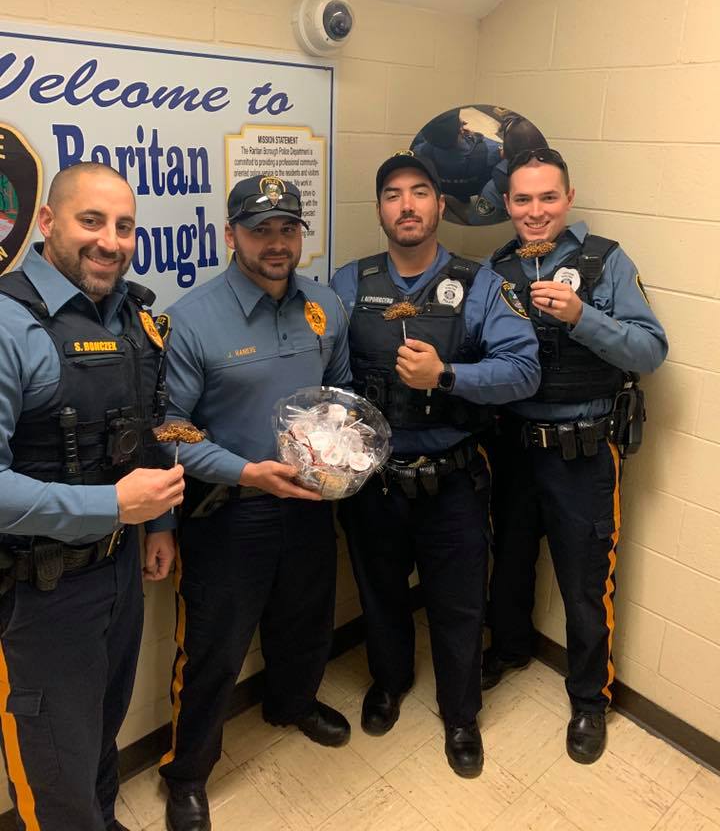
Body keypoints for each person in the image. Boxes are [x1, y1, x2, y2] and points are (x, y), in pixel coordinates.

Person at [331, 151, 540, 778]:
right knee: (381, 594)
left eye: (420, 192)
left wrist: (446, 374)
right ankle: (389, 682)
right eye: (393, 195)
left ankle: (461, 714)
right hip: (373, 483)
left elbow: (524, 371)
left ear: (439, 206)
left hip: (452, 481)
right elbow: (325, 370)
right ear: (380, 210)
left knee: (457, 605)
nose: (407, 205)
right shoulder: (346, 283)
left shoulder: (480, 284)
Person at [158, 175, 353, 831]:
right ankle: (187, 772)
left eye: (287, 228)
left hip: (307, 502)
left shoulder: (325, 306)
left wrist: (338, 448)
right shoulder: (192, 318)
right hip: (227, 513)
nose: (276, 242)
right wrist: (246, 472)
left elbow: (342, 393)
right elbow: (168, 433)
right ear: (230, 235)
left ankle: (292, 705)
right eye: (260, 229)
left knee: (306, 620)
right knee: (215, 646)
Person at [0, 162, 184, 831]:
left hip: (121, 571)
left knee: (101, 735)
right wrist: (114, 508)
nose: (110, 240)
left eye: (125, 226)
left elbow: (149, 426)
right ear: (46, 223)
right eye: (91, 221)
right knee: (56, 768)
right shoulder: (9, 324)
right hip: (40, 594)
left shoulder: (133, 314)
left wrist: (157, 521)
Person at [483, 147, 668, 764]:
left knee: (586, 585)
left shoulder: (605, 261)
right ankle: (508, 649)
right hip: (510, 449)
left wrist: (584, 317)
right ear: (507, 204)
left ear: (567, 199)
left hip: (582, 453)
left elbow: (649, 351)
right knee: (506, 563)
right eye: (522, 200)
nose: (535, 212)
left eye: (547, 198)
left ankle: (590, 700)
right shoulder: (496, 268)